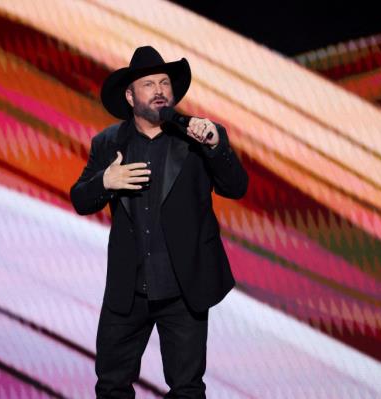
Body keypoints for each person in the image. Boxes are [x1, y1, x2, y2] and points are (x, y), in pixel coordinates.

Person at [70, 45, 249, 398]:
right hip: (129, 288)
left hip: (183, 288)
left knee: (187, 389)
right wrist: (105, 182)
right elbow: (80, 198)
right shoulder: (108, 143)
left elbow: (236, 186)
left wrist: (216, 146)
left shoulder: (198, 137)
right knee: (111, 386)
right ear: (130, 94)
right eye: (149, 84)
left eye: (164, 83)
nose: (159, 91)